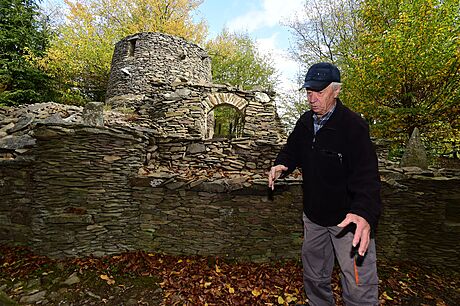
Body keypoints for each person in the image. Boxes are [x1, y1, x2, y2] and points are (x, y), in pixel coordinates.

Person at [268, 62, 382, 305]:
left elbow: (368, 177)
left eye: (319, 92)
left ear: (336, 90)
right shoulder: (305, 123)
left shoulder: (353, 127)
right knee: (315, 278)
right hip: (314, 217)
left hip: (348, 221)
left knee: (359, 287)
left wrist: (363, 213)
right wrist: (282, 164)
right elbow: (293, 149)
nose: (312, 98)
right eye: (309, 92)